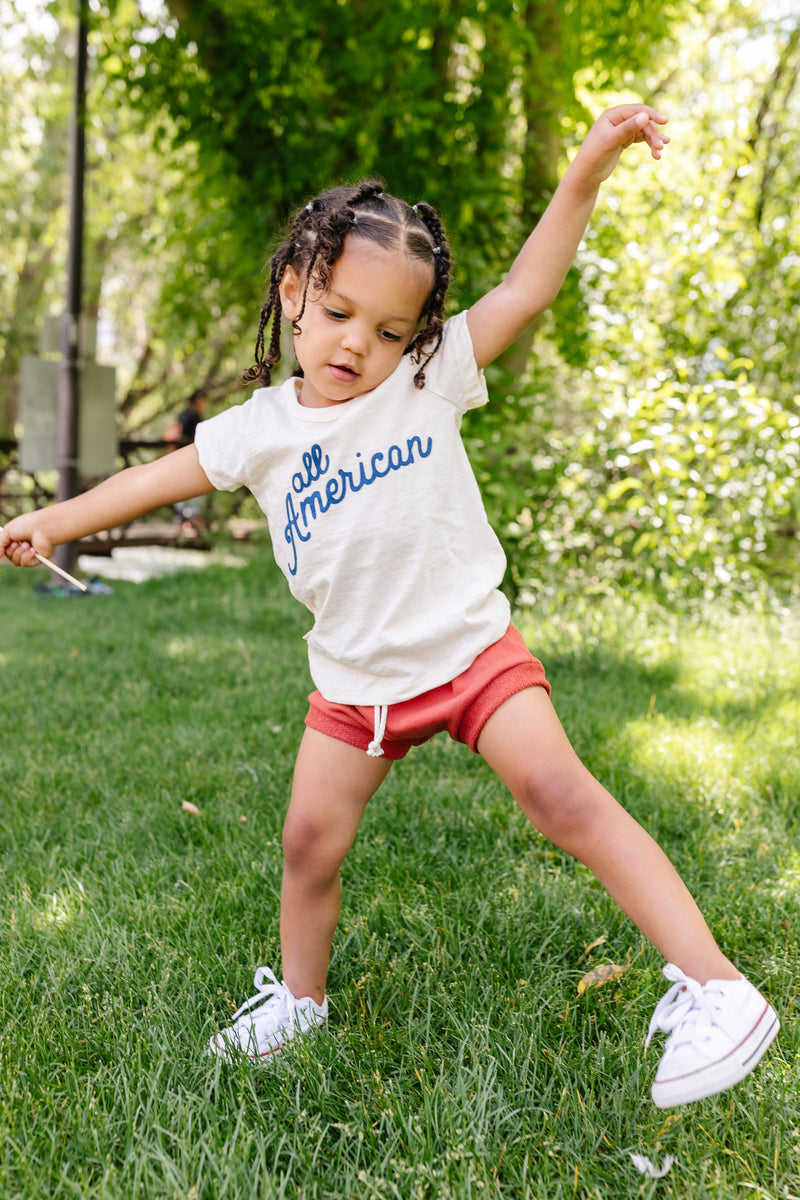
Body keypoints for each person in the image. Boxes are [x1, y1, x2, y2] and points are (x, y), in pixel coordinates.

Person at [1, 105, 779, 1108]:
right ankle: (298, 999)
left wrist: (587, 160)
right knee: (306, 846)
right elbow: (155, 481)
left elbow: (529, 286)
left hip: (469, 655)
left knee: (559, 797)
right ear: (293, 292)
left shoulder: (429, 377)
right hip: (356, 686)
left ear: (413, 335)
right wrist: (57, 520)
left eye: (386, 328)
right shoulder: (260, 429)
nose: (355, 343)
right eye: (335, 312)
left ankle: (717, 988)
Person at [165, 388, 210, 531]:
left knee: (181, 488)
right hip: (192, 457)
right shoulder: (194, 416)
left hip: (179, 457)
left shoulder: (183, 414)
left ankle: (182, 520)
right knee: (194, 489)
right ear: (198, 399)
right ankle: (191, 520)